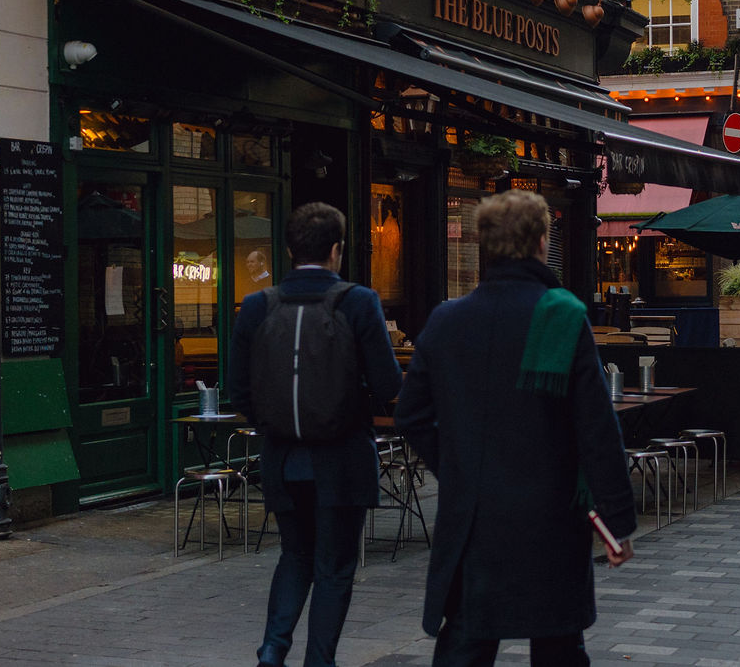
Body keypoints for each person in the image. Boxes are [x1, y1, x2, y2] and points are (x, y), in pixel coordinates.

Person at [395, 190, 637, 666]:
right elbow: (596, 429)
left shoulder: (446, 321)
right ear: (542, 241)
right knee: (559, 643)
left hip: (474, 518)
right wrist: (617, 522)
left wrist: (459, 465)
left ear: (485, 245)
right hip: (550, 517)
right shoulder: (563, 317)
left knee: (467, 639)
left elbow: (411, 415)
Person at [231, 203, 404, 667]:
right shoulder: (358, 302)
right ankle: (319, 661)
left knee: (295, 554)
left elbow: (236, 390)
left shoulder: (256, 306)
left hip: (282, 459)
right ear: (336, 250)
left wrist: (272, 423)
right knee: (334, 568)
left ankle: (273, 648)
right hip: (342, 457)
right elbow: (389, 386)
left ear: (289, 250)